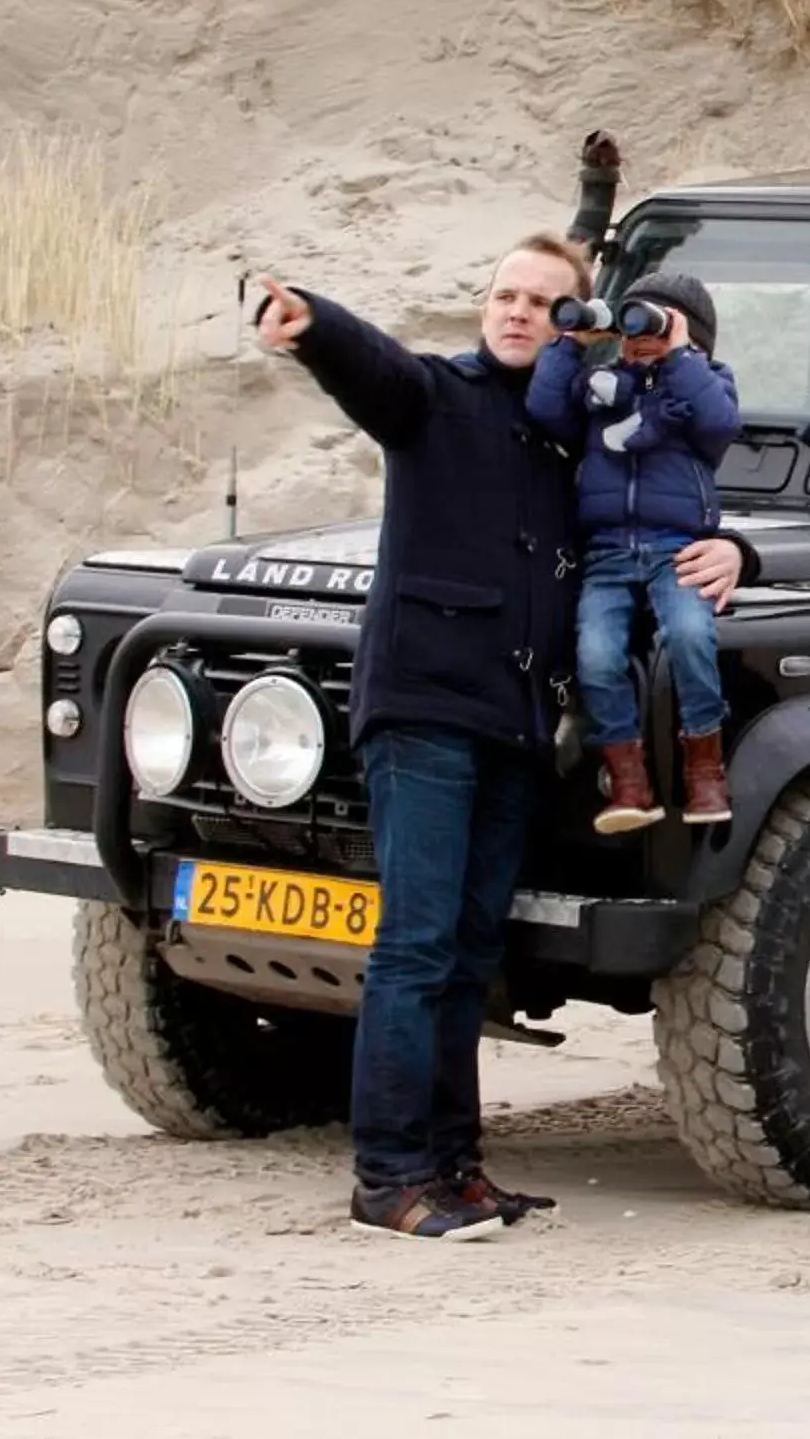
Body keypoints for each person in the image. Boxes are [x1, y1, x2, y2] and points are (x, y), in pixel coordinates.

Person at [253, 243, 753, 1242]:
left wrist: (741, 548)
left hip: (518, 722)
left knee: (471, 952)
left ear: (582, 319)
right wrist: (315, 322)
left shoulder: (578, 422)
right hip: (427, 709)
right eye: (504, 296)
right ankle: (389, 1174)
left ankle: (456, 1168)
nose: (519, 314)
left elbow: (666, 491)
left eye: (543, 301)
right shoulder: (434, 397)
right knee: (416, 945)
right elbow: (375, 366)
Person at [525, 274, 741, 833]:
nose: (641, 337)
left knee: (692, 638)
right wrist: (569, 341)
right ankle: (628, 781)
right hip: (607, 551)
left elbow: (720, 425)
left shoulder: (705, 383)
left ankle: (705, 769)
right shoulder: (602, 392)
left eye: (655, 323)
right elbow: (546, 410)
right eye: (633, 326)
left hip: (678, 549)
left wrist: (679, 355)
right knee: (595, 657)